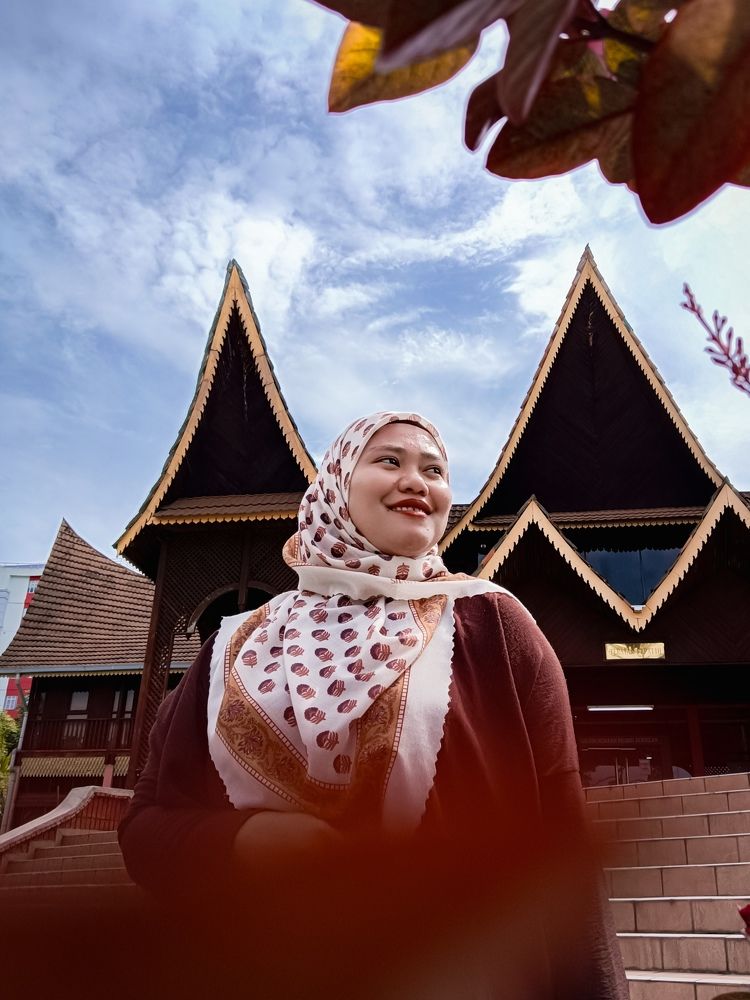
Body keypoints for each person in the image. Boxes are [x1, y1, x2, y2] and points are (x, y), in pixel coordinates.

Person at [119, 411, 628, 1000]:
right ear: (336, 485)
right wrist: (250, 842)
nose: (416, 480)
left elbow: (560, 846)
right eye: (389, 460)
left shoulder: (492, 625)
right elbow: (148, 831)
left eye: (434, 470)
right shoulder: (235, 647)